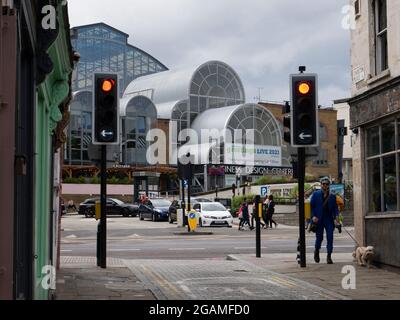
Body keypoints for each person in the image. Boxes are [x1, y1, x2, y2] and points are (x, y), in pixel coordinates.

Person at [310, 177, 339, 264]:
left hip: (329, 219)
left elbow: (335, 208)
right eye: (323, 184)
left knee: (330, 237)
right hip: (319, 219)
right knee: (319, 238)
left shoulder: (332, 196)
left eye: (327, 184)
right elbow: (311, 206)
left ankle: (329, 256)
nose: (325, 185)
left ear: (329, 185)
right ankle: (316, 251)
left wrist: (336, 217)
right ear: (321, 184)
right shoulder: (315, 194)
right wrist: (313, 216)